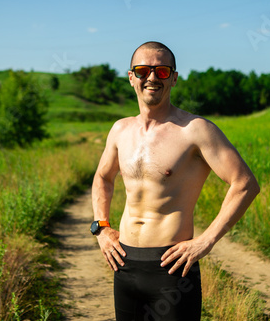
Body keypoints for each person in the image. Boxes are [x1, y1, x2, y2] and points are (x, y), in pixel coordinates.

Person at [91, 41, 260, 321]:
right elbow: (102, 177)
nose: (153, 78)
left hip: (172, 270)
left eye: (162, 71)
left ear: (175, 77)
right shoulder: (120, 130)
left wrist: (206, 241)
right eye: (143, 70)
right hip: (125, 264)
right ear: (131, 77)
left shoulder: (195, 130)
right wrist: (102, 228)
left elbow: (245, 184)